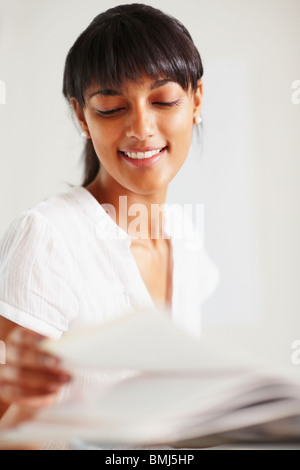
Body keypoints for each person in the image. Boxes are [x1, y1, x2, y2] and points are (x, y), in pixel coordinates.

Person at [0, 4, 219, 449]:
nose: (141, 127)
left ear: (196, 101)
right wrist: (27, 408)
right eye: (112, 107)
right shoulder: (48, 238)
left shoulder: (187, 240)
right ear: (82, 117)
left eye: (164, 101)